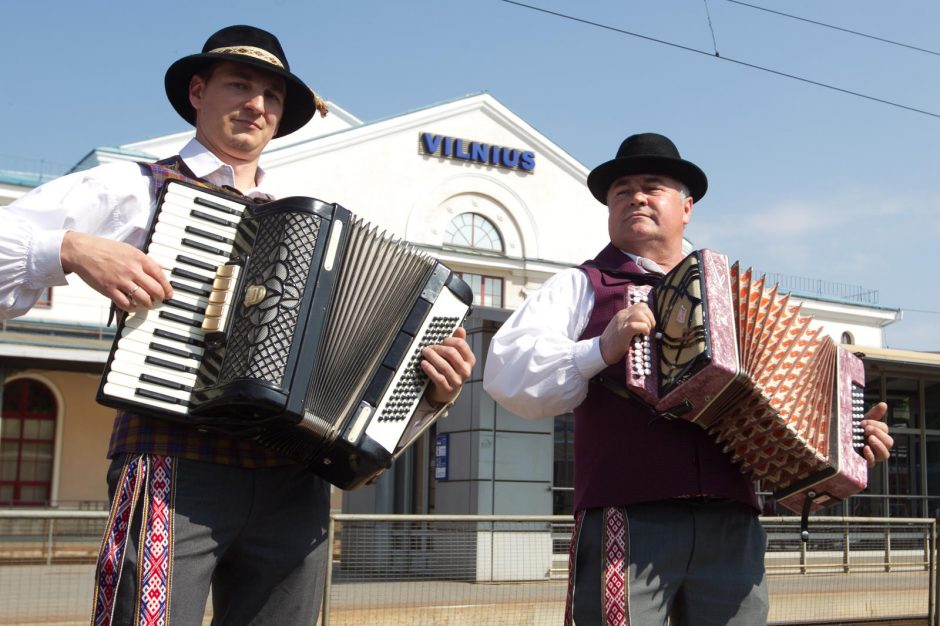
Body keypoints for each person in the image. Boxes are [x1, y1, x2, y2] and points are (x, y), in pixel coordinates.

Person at [0, 25, 475, 625]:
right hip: (174, 462)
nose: (257, 104)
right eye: (240, 85)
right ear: (198, 92)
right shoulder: (134, 186)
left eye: (271, 96)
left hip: (292, 481)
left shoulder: (315, 231)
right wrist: (71, 248)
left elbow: (359, 377)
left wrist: (431, 388)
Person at [482, 132, 893, 626]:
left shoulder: (735, 300)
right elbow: (506, 374)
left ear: (687, 207)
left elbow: (789, 403)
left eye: (652, 186)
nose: (635, 196)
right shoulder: (582, 284)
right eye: (621, 190)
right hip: (629, 516)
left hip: (732, 524)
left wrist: (847, 438)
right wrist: (599, 349)